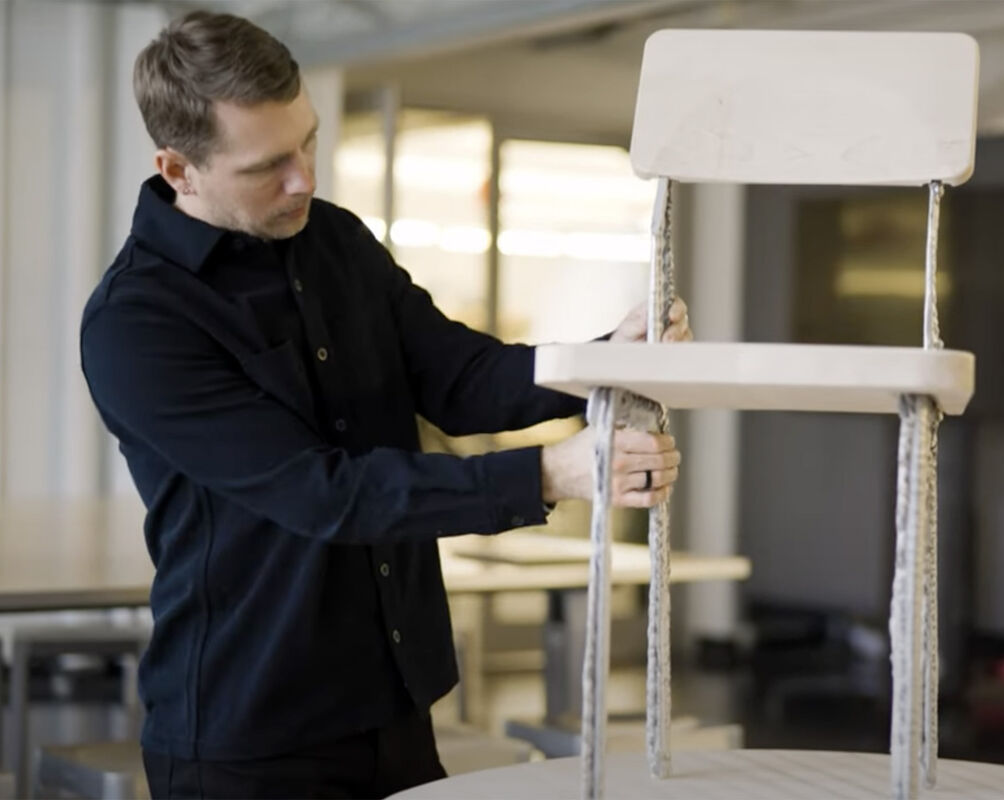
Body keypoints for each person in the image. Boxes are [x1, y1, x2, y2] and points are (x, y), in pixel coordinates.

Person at [79, 10, 691, 800]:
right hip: (252, 734)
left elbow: (458, 377)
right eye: (268, 165)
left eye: (308, 143)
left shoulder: (334, 241)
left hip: (395, 701)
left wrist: (604, 358)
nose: (304, 178)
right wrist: (553, 474)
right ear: (179, 169)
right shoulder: (138, 322)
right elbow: (323, 492)